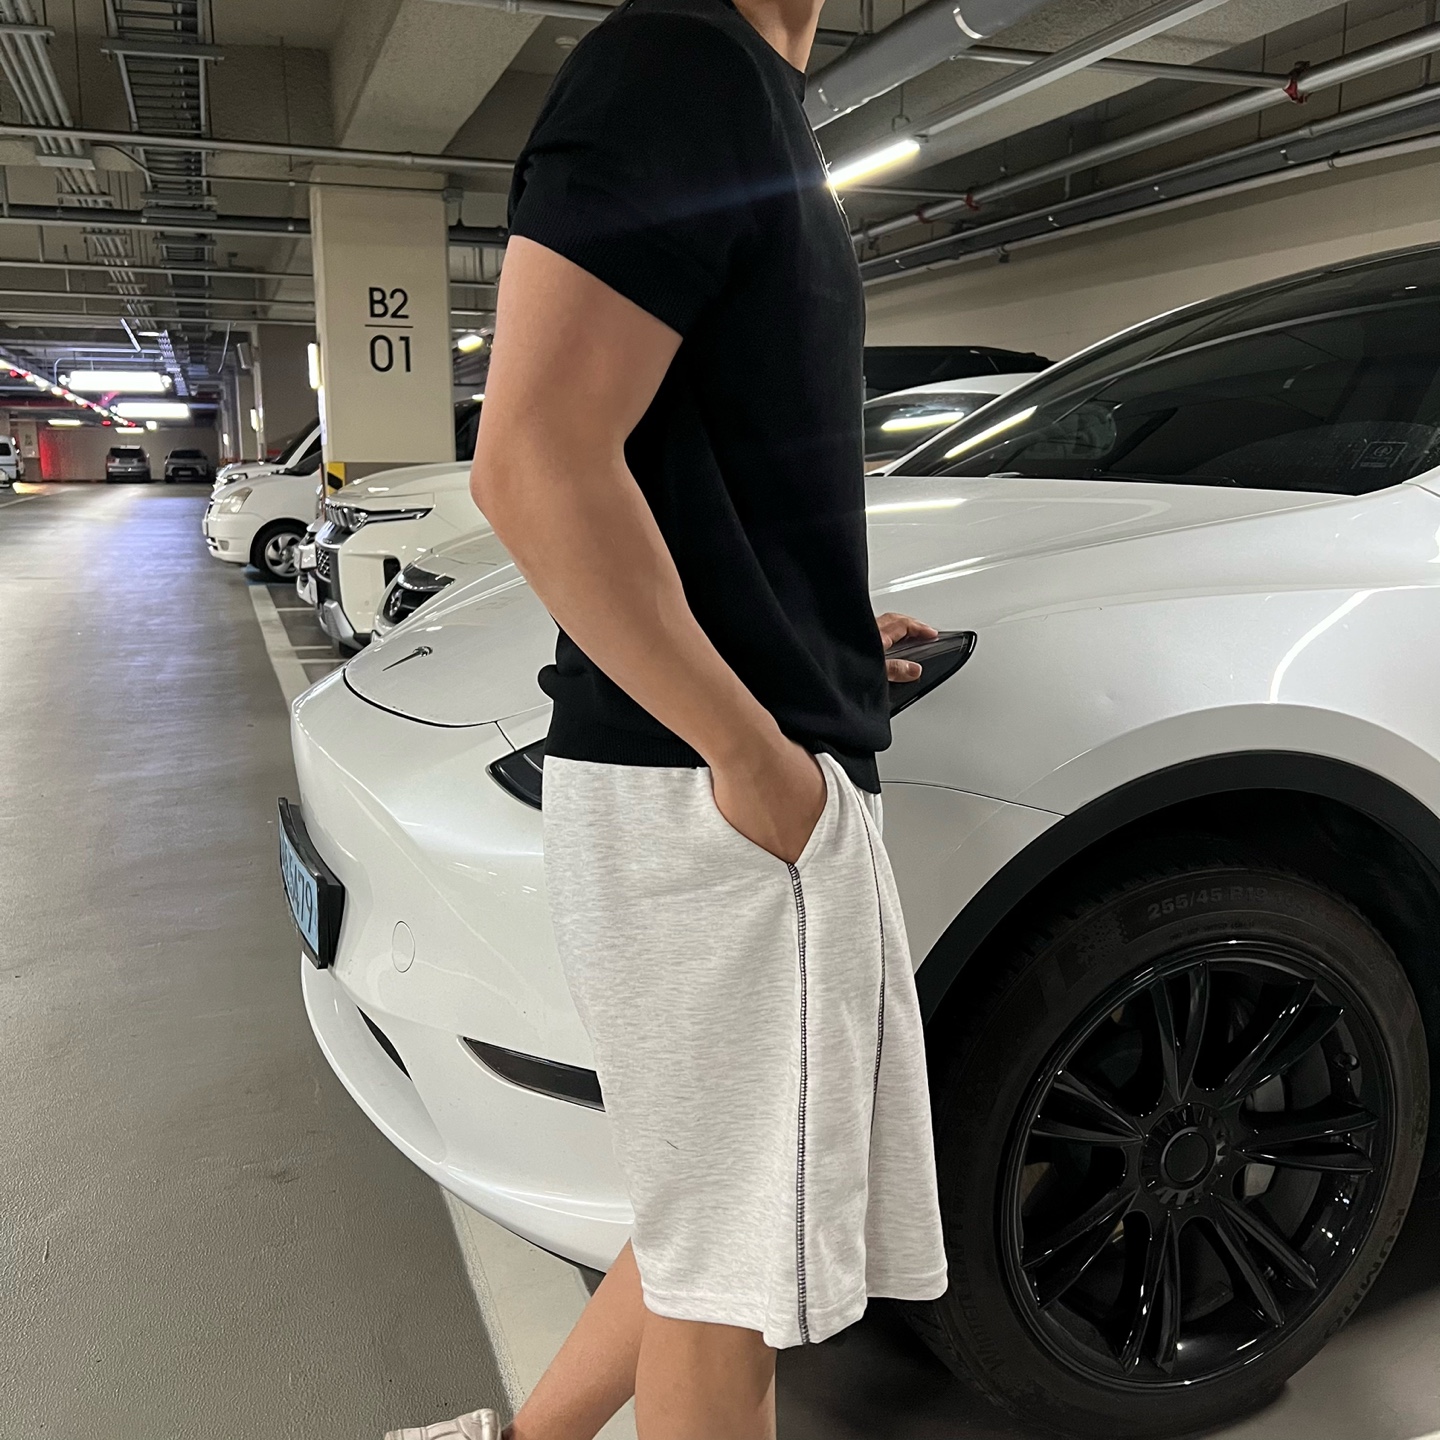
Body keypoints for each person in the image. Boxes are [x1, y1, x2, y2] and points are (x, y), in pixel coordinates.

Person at [387, 0, 947, 1433]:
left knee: (718, 1214)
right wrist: (749, 753)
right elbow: (533, 457)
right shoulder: (680, 66)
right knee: (735, 1277)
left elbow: (701, 460)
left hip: (721, 777)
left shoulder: (750, 93)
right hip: (713, 798)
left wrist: (817, 626)